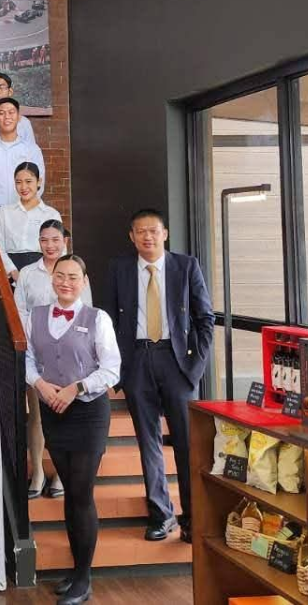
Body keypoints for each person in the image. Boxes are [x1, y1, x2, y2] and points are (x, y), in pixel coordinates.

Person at [103, 208, 214, 544]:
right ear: (132, 236)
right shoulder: (120, 268)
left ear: (164, 234)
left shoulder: (186, 266)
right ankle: (161, 514)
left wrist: (195, 368)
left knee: (186, 442)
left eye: (153, 230)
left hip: (176, 361)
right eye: (140, 231)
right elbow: (108, 319)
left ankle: (192, 517)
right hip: (137, 360)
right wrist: (118, 366)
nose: (147, 236)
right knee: (148, 441)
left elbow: (205, 319)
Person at [25, 255, 120, 605]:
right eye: (60, 275)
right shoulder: (35, 316)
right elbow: (27, 358)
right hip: (53, 411)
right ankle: (77, 570)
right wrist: (40, 384)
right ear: (52, 278)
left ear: (84, 281)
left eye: (73, 277)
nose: (65, 282)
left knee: (81, 493)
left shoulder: (98, 318)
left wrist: (76, 388)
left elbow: (112, 369)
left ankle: (83, 578)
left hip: (88, 412)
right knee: (70, 494)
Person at [15, 220, 93, 500]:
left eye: (55, 240)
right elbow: (19, 311)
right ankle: (37, 471)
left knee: (67, 413)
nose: (50, 245)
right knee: (37, 416)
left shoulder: (75, 270)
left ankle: (61, 474)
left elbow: (87, 311)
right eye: (44, 240)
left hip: (72, 354)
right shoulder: (27, 273)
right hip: (39, 353)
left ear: (65, 241)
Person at [0, 98, 46, 217]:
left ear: (19, 117)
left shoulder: (32, 150)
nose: (7, 117)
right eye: (1, 113)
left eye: (11, 112)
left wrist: (24, 209)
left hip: (25, 214)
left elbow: (39, 182)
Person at [0, 162, 60, 280]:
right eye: (18, 182)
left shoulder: (51, 214)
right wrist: (13, 272)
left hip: (42, 273)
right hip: (9, 274)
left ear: (39, 182)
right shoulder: (4, 212)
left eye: (28, 181)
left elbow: (60, 249)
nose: (23, 187)